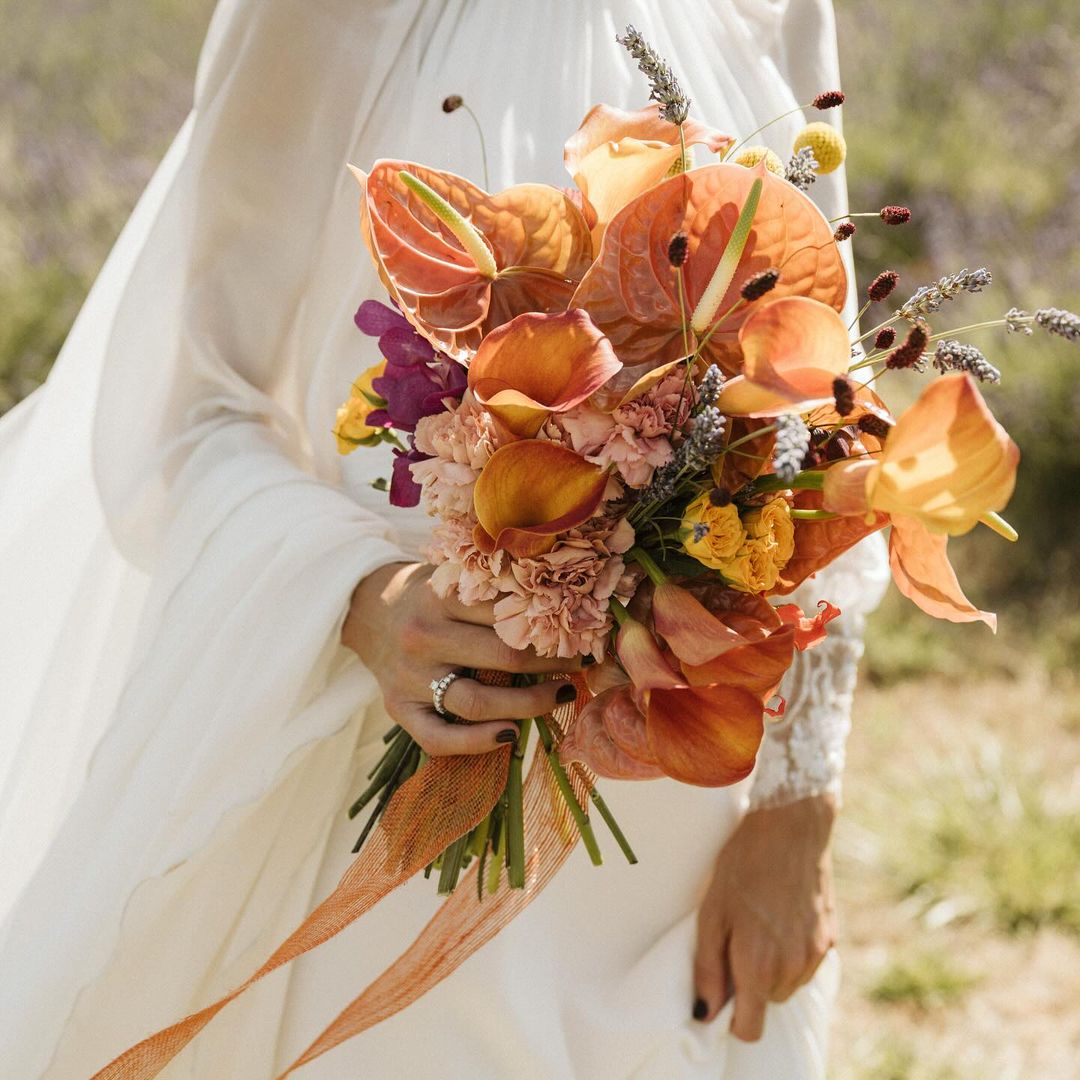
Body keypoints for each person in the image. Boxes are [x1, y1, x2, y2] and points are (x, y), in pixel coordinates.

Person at [0, 0, 887, 1076]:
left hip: (682, 828)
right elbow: (192, 414)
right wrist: (366, 602)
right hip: (397, 766)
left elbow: (832, 410)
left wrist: (800, 803)